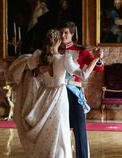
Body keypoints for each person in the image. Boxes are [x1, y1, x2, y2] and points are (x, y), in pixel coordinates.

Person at [7, 28, 101, 158]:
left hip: (43, 96)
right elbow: (83, 75)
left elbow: (28, 71)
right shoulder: (64, 58)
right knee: (60, 129)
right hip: (59, 96)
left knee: (46, 129)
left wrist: (38, 72)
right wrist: (95, 59)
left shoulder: (39, 56)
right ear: (58, 41)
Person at [58, 21, 104, 158]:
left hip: (74, 92)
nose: (63, 35)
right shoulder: (54, 50)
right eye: (61, 32)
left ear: (72, 34)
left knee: (79, 129)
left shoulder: (81, 51)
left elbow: (99, 68)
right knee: (61, 129)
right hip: (58, 93)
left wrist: (98, 58)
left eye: (66, 32)